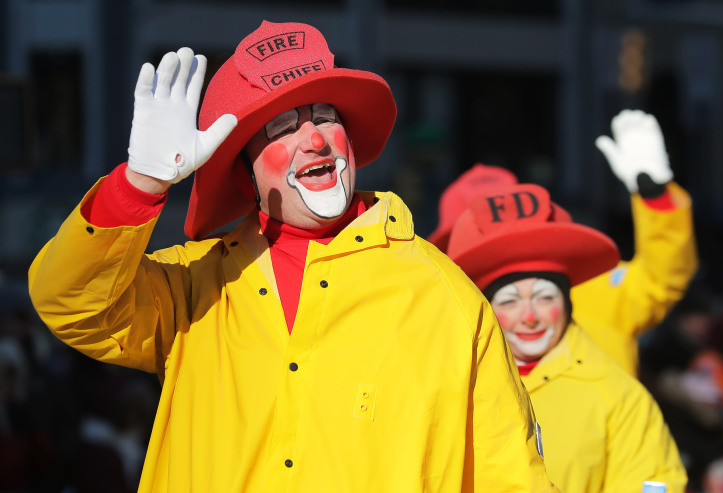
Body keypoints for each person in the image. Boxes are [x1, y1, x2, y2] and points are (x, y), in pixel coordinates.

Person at [27, 21, 555, 492]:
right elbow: (71, 302)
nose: (316, 141)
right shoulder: (194, 287)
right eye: (282, 127)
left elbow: (509, 475)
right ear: (244, 171)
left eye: (324, 117)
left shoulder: (445, 299)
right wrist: (138, 185)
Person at [446, 183, 688, 492]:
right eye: (509, 301)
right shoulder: (449, 383)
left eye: (544, 298)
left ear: (567, 303)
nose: (530, 317)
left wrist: (657, 196)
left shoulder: (618, 395)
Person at [428, 110, 698, 376]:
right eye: (473, 247)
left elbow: (659, 277)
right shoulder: (435, 321)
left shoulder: (591, 290)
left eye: (504, 241)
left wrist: (655, 196)